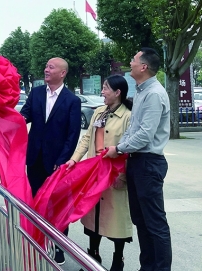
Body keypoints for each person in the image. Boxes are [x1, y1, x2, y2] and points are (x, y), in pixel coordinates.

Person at [105, 48, 171, 271]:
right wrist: (120, 148)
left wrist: (118, 148)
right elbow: (133, 129)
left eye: (133, 60)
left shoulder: (154, 94)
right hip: (136, 162)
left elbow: (145, 134)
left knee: (154, 223)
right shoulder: (142, 92)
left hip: (148, 163)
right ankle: (147, 266)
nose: (130, 63)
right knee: (141, 221)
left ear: (143, 66)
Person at [66, 75, 133, 271]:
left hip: (114, 176)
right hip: (95, 173)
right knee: (93, 218)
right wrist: (74, 159)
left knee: (116, 221)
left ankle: (118, 259)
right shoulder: (99, 113)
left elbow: (130, 149)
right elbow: (87, 138)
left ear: (118, 92)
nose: (102, 92)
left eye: (106, 88)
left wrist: (123, 176)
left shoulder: (128, 116)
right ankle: (93, 256)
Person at [21, 57, 81, 265]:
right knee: (35, 202)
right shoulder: (36, 93)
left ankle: (58, 246)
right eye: (46, 66)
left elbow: (72, 135)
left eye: (51, 67)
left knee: (57, 205)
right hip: (35, 159)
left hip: (57, 163)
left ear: (62, 73)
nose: (46, 69)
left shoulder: (72, 101)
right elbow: (24, 116)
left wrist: (62, 160)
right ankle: (36, 241)